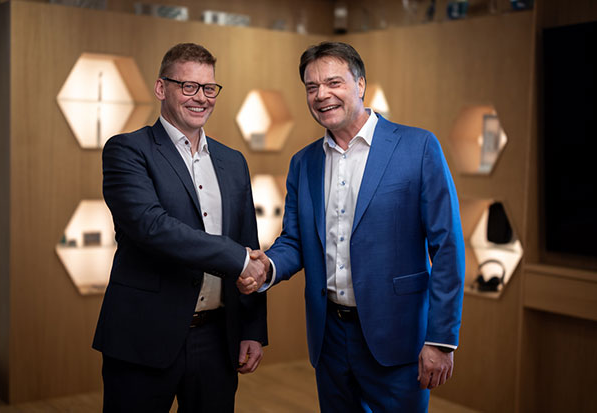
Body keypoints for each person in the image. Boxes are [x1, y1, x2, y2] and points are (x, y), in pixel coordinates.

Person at [247, 41, 465, 412]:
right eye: (312, 87)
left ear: (360, 84)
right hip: (329, 337)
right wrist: (267, 266)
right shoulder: (303, 163)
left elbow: (447, 247)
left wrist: (441, 340)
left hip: (398, 336)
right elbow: (296, 241)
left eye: (333, 82)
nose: (321, 95)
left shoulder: (418, 147)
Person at [92, 43, 268, 412]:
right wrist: (238, 259)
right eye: (188, 86)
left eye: (209, 88)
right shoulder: (128, 150)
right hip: (144, 335)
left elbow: (247, 241)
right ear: (161, 88)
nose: (201, 98)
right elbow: (152, 226)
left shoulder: (233, 161)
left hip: (217, 339)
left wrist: (252, 329)